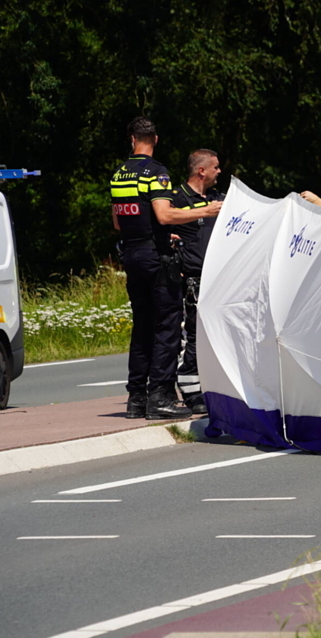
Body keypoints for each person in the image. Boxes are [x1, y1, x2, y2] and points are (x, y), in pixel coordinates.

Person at [110, 117, 192, 420]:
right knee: (168, 327)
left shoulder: (118, 175)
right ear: (154, 139)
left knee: (142, 326)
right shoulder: (157, 173)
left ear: (132, 139)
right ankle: (160, 397)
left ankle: (136, 399)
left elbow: (119, 221)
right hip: (155, 258)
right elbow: (164, 214)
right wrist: (206, 210)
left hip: (131, 255)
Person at [158, 149, 225, 415]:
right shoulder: (175, 199)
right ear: (201, 170)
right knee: (193, 336)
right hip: (190, 279)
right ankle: (189, 388)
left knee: (215, 337)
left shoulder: (219, 199)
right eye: (216, 167)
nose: (219, 171)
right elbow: (162, 227)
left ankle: (214, 386)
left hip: (218, 279)